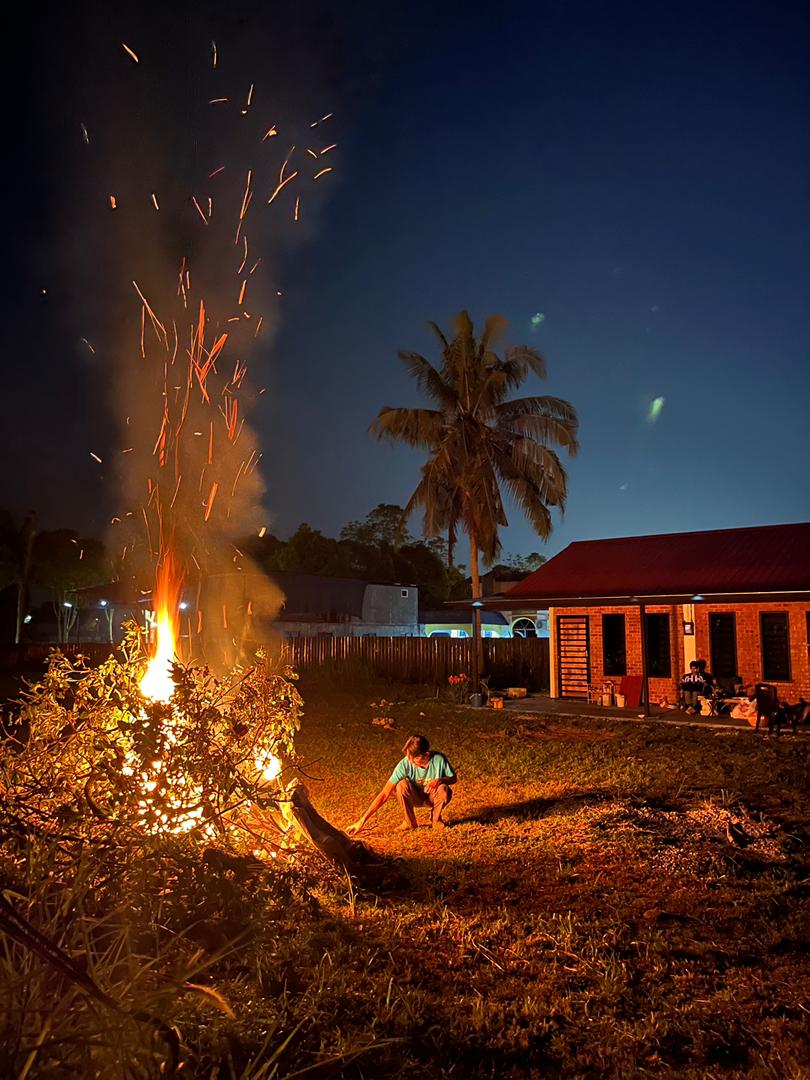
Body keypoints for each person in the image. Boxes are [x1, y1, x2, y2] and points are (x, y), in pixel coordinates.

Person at [346, 734, 457, 833]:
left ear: (426, 754)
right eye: (409, 758)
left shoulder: (439, 759)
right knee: (401, 785)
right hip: (415, 797)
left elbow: (453, 778)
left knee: (443, 789)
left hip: (432, 797)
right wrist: (362, 821)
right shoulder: (405, 763)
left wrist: (441, 780)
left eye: (414, 759)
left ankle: (436, 819)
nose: (411, 762)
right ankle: (409, 823)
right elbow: (385, 793)